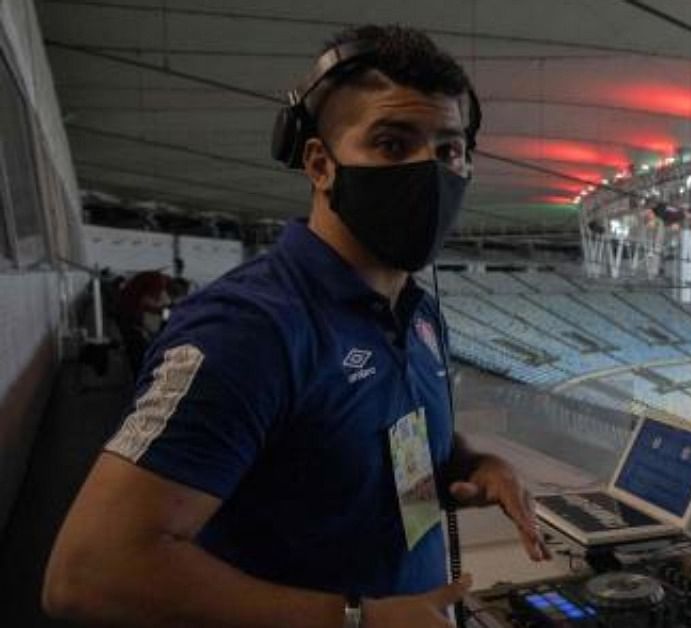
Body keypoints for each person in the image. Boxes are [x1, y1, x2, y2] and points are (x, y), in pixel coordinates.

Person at [43, 24, 549, 628]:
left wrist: (474, 465)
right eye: (392, 144)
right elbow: (90, 571)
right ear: (319, 163)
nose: (429, 171)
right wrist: (358, 621)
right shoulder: (248, 330)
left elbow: (391, 451)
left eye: (448, 150)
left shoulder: (418, 313)